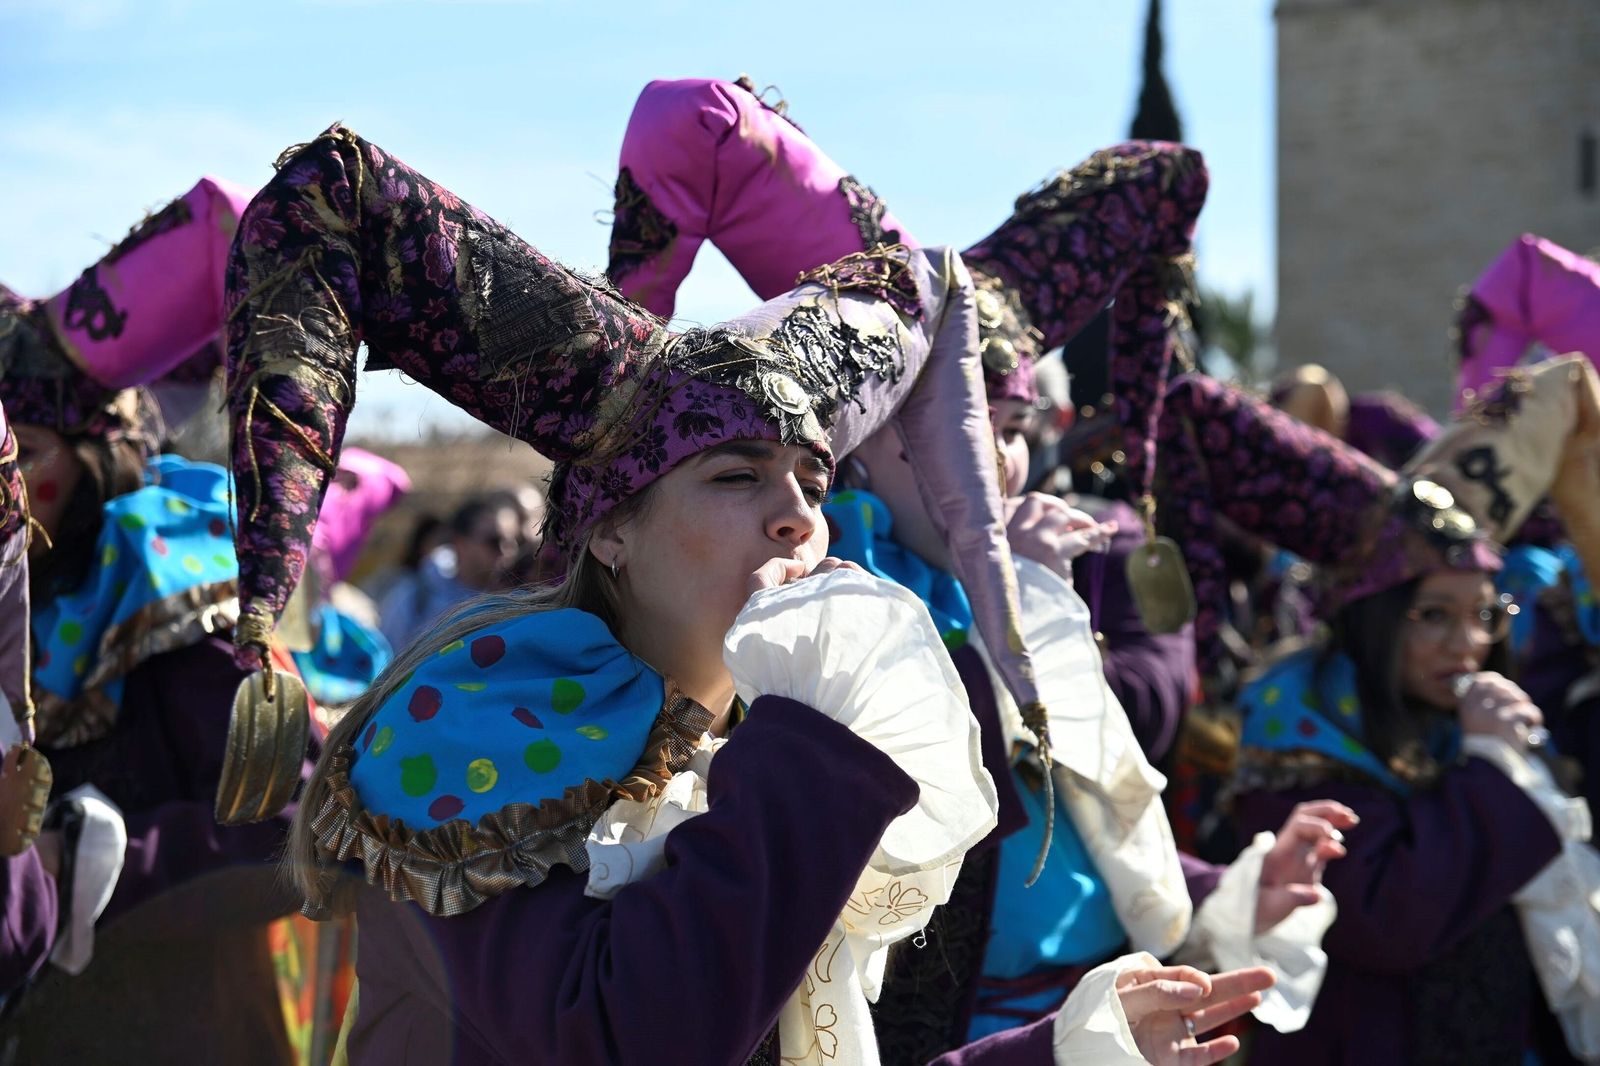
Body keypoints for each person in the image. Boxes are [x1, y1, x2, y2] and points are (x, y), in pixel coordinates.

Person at [225, 122, 1274, 1066]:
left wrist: (1070, 1052)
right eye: (736, 477)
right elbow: (631, 1034)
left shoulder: (740, 742)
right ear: (613, 530)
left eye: (813, 482)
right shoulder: (475, 722)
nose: (796, 517)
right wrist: (812, 745)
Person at [1162, 356, 1600, 1064]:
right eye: (1434, 615)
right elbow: (1390, 920)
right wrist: (1491, 768)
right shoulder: (1298, 727)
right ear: (1375, 618)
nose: (1468, 643)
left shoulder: (1458, 716)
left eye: (1483, 613)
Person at [0, 172, 313, 1064]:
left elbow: (296, 825)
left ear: (99, 453)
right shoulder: (16, 595)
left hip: (184, 1026)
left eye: (26, 456)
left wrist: (91, 865)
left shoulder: (179, 588)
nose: (6, 488)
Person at [377, 494, 522, 648]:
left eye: (514, 542)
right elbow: (386, 656)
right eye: (494, 541)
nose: (506, 551)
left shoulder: (516, 606)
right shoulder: (416, 596)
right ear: (460, 543)